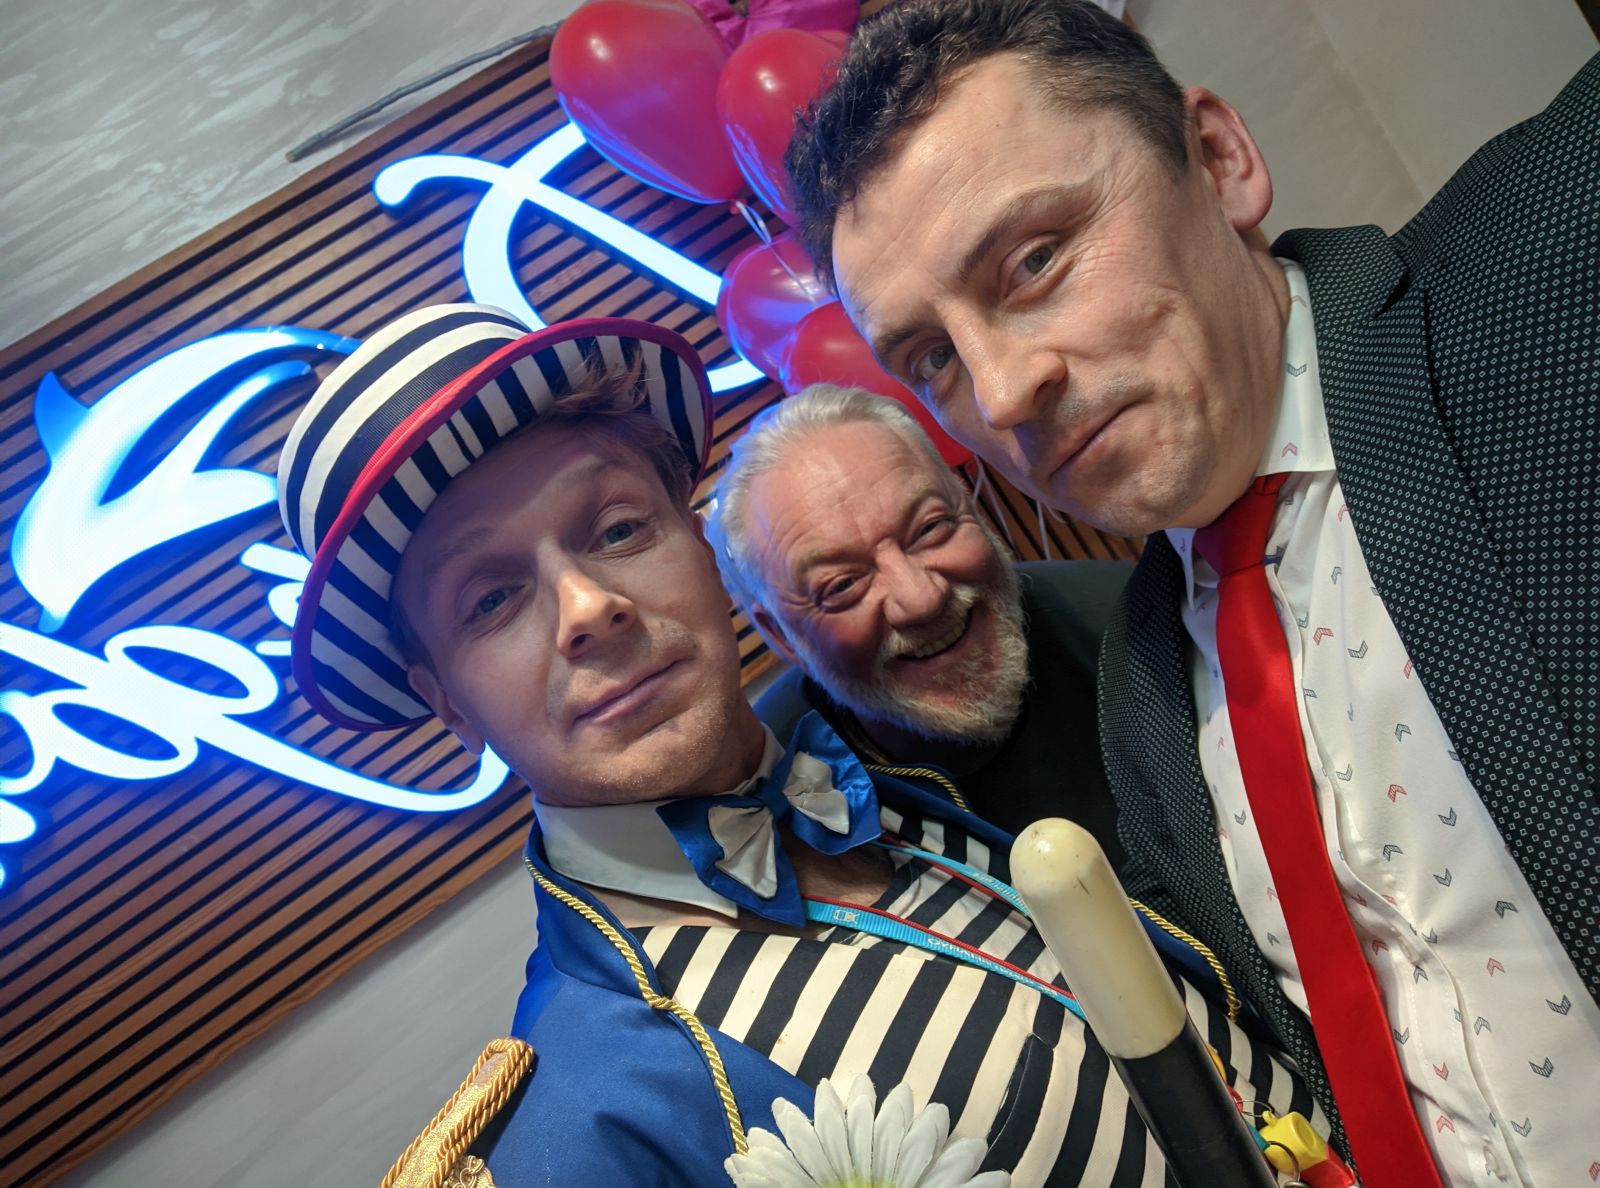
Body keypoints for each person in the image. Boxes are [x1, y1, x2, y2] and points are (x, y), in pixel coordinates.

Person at [785, 2, 1600, 1184]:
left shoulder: (1553, 261)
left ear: (1218, 160)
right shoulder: (1141, 689)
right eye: (934, 359)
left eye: (1034, 260)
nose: (1002, 394)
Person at [276, 305, 1321, 1185]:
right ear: (449, 703)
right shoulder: (584, 1125)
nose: (589, 606)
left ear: (699, 547)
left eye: (618, 529)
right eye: (491, 598)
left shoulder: (885, 779)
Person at [707, 383, 1132, 866]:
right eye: (843, 584)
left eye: (931, 528)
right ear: (783, 636)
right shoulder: (774, 820)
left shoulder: (1139, 626)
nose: (923, 599)